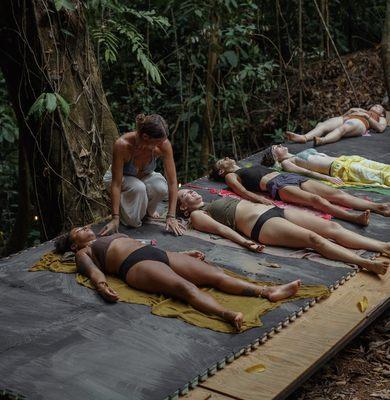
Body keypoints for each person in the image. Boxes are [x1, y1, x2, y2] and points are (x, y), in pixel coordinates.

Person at [54, 227, 302, 330]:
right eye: (79, 231)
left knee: (215, 274)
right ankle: (227, 315)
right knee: (186, 288)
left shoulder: (112, 233)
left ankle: (268, 292)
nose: (86, 228)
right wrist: (101, 285)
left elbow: (142, 243)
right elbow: (92, 270)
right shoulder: (84, 253)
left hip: (158, 253)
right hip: (135, 266)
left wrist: (181, 254)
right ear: (75, 245)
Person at [177, 189, 390, 275]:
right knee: (314, 239)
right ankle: (367, 264)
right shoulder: (197, 215)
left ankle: (382, 246)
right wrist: (244, 242)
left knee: (332, 228)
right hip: (260, 225)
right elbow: (220, 229)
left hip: (273, 211)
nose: (191, 191)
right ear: (184, 208)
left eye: (189, 189)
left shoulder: (213, 200)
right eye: (185, 194)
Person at [210, 156, 390, 225]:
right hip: (279, 186)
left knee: (336, 194)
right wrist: (259, 199)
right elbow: (240, 191)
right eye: (222, 161)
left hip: (290, 177)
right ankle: (353, 218)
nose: (226, 158)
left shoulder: (246, 165)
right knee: (316, 201)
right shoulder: (230, 176)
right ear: (221, 170)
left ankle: (377, 207)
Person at [100, 114, 184, 236]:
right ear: (145, 137)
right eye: (157, 143)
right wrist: (115, 218)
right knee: (137, 195)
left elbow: (172, 181)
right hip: (119, 179)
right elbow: (116, 184)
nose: (161, 145)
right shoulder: (122, 145)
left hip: (144, 177)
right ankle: (128, 213)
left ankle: (146, 211)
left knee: (160, 186)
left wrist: (171, 216)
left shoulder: (164, 144)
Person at [261, 145, 390, 204]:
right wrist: (328, 178)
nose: (280, 145)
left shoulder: (294, 156)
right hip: (338, 169)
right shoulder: (286, 163)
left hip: (344, 160)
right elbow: (307, 173)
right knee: (378, 175)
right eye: (276, 147)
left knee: (382, 168)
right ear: (275, 157)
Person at [286, 104, 386, 146]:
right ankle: (304, 137)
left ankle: (323, 140)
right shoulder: (360, 110)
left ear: (382, 113)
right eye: (375, 105)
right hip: (347, 118)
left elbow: (381, 128)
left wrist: (366, 116)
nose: (376, 106)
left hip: (362, 123)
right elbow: (343, 116)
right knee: (322, 125)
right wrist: (350, 112)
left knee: (343, 128)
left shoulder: (381, 118)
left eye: (379, 107)